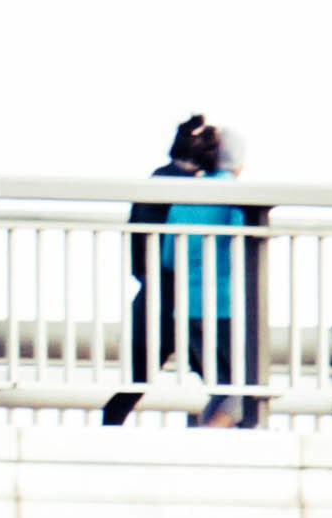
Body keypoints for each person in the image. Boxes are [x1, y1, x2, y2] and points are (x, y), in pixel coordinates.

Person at [106, 113, 249, 426]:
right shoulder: (222, 193)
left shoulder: (168, 187)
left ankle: (108, 433)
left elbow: (162, 254)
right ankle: (207, 440)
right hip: (207, 305)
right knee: (239, 391)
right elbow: (241, 248)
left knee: (137, 384)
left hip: (162, 300)